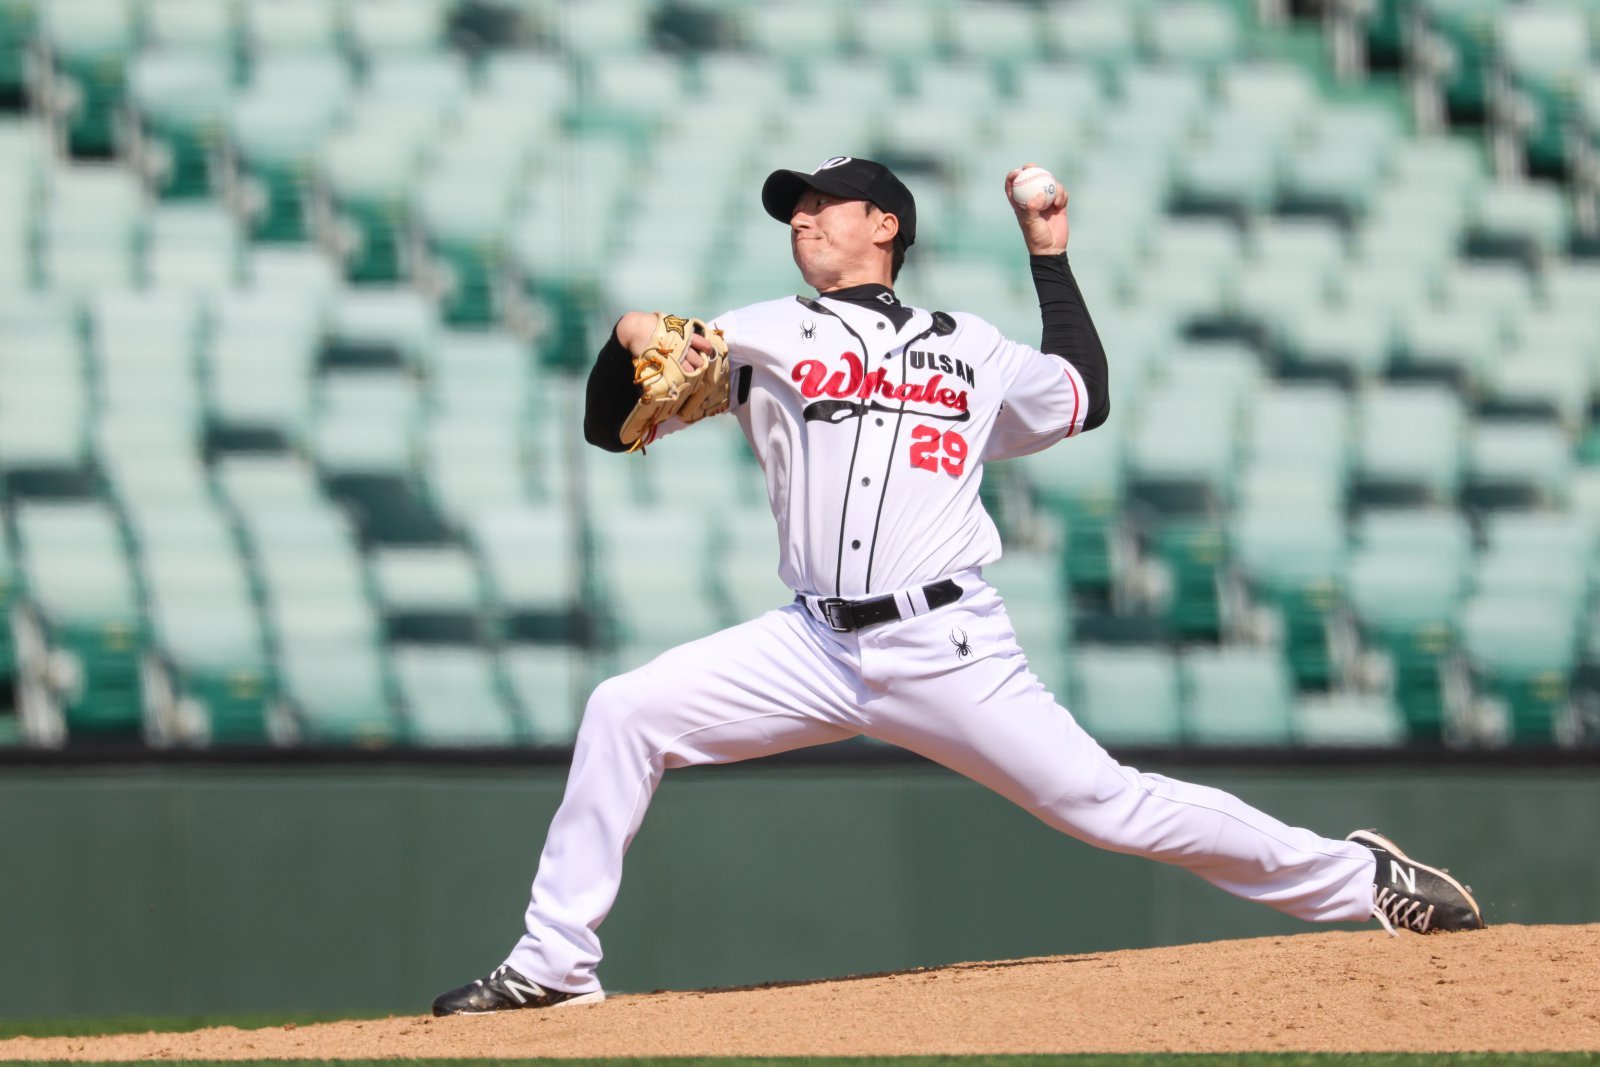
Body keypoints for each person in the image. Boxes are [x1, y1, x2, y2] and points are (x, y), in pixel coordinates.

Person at [431, 156, 1483, 1015]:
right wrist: (628, 337)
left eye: (819, 203)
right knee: (625, 708)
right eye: (789, 208)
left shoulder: (970, 348)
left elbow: (1083, 394)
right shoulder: (759, 332)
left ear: (883, 223)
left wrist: (1049, 255)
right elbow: (607, 428)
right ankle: (554, 961)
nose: (800, 219)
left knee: (1104, 803)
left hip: (948, 642)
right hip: (813, 645)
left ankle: (1361, 878)